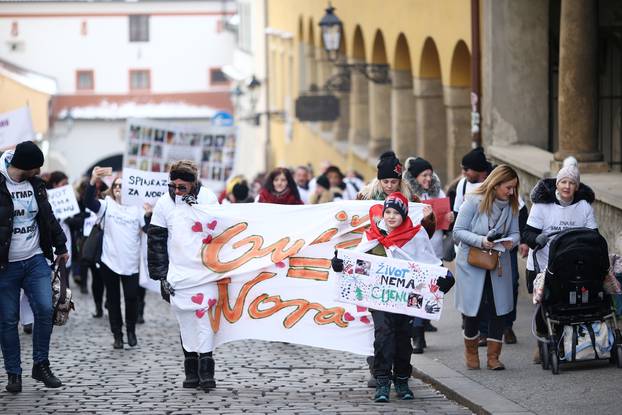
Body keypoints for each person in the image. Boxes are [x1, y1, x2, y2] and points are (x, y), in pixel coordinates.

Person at [332, 192, 453, 402]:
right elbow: (357, 257)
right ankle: (382, 381)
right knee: (383, 335)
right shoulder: (372, 235)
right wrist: (340, 264)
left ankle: (402, 379)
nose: (390, 216)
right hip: (379, 296)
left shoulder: (417, 235)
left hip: (406, 298)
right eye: (387, 212)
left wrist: (445, 278)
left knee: (402, 338)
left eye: (396, 212)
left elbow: (430, 262)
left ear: (404, 214)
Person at [356, 150, 435, 386]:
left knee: (399, 329)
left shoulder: (412, 201)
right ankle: (377, 370)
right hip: (374, 267)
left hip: (402, 273)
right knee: (378, 326)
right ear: (379, 181)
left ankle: (400, 374)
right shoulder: (363, 199)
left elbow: (422, 239)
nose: (390, 186)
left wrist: (429, 219)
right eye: (386, 181)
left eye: (394, 181)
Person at [0, 141, 68, 393]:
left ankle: (41, 364)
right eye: (36, 167)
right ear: (26, 167)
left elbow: (47, 216)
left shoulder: (36, 185)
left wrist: (61, 246)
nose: (40, 171)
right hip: (5, 265)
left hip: (35, 259)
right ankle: (13, 374)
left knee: (44, 309)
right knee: (8, 321)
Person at [147, 160, 219, 390]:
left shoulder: (208, 197)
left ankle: (207, 371)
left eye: (182, 187)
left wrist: (199, 209)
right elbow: (156, 239)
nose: (177, 191)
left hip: (204, 271)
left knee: (204, 319)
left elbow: (220, 230)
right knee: (186, 321)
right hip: (178, 273)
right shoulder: (164, 203)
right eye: (174, 186)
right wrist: (160, 276)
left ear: (193, 183)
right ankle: (191, 369)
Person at [522, 157, 597, 363]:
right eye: (564, 182)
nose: (567, 186)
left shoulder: (583, 207)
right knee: (544, 305)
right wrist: (536, 238)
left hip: (570, 266)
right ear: (557, 184)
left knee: (567, 306)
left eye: (572, 183)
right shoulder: (542, 206)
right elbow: (527, 234)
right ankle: (544, 342)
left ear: (576, 186)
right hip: (542, 265)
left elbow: (594, 236)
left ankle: (568, 343)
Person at [453, 165, 520, 371]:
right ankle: (471, 352)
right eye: (508, 187)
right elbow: (458, 231)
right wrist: (482, 241)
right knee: (473, 310)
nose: (511, 192)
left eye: (513, 188)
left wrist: (512, 242)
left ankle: (493, 357)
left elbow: (517, 233)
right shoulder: (473, 201)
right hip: (472, 263)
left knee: (499, 310)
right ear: (496, 184)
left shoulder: (512, 205)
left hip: (499, 263)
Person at [85, 168, 146, 349]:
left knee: (131, 298)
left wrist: (150, 214)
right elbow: (89, 202)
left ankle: (131, 331)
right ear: (112, 189)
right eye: (116, 185)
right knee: (112, 300)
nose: (119, 188)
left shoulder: (137, 209)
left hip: (131, 262)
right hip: (109, 261)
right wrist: (93, 181)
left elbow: (149, 229)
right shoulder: (107, 205)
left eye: (122, 185)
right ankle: (117, 335)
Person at [403, 157, 455, 353]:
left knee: (430, 291)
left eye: (429, 175)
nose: (428, 178)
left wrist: (449, 218)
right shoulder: (409, 194)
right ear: (415, 177)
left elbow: (445, 218)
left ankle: (421, 326)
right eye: (424, 175)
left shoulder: (437, 191)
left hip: (434, 249)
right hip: (415, 250)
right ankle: (417, 333)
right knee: (416, 291)